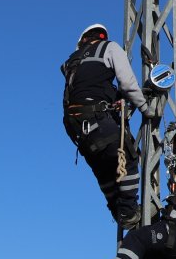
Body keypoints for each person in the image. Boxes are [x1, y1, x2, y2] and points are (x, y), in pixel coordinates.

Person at [61, 23, 151, 229]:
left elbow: (89, 87)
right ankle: (128, 212)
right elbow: (127, 83)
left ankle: (116, 210)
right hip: (95, 117)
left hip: (74, 124)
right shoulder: (109, 48)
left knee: (103, 169)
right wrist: (145, 108)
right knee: (128, 158)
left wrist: (113, 99)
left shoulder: (71, 62)